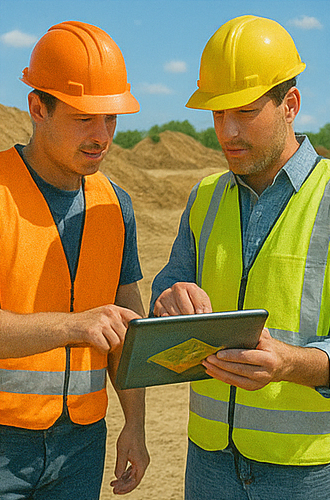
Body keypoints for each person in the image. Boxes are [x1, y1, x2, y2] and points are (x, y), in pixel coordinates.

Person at [150, 15, 330, 500]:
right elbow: (163, 299)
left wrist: (293, 363)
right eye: (216, 113)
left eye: (246, 112)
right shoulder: (204, 197)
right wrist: (168, 301)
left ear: (290, 104)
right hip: (209, 462)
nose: (226, 132)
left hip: (307, 472)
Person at [0, 21, 149, 499]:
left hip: (84, 444)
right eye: (85, 117)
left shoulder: (116, 204)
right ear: (37, 108)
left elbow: (129, 331)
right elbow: (91, 325)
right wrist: (74, 326)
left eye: (111, 119)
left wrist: (136, 425)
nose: (101, 135)